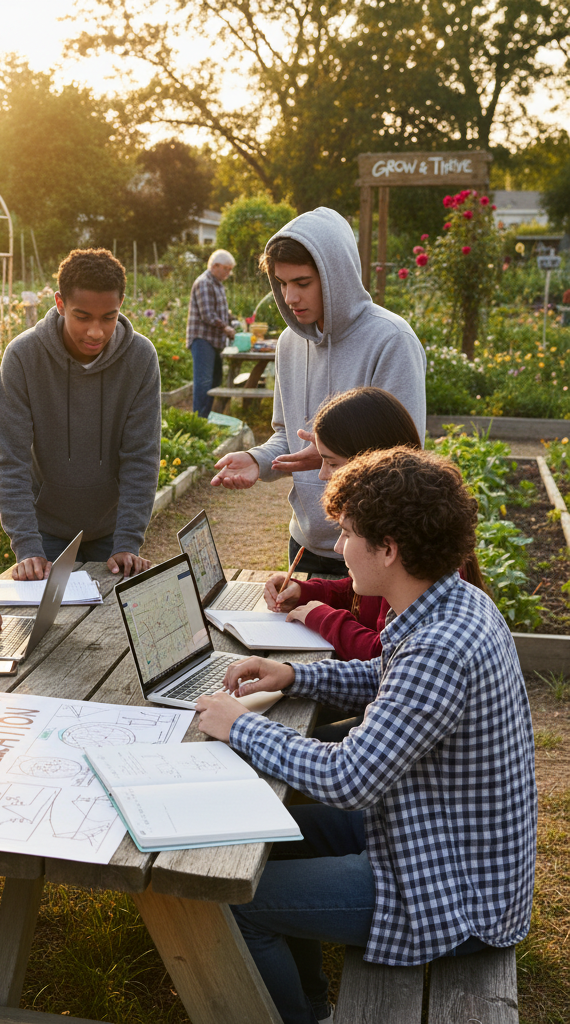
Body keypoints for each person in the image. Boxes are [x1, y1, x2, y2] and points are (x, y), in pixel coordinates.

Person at [196, 447, 536, 1024]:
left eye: (349, 533)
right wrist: (295, 675)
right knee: (266, 835)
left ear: (389, 549)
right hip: (430, 828)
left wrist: (240, 725)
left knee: (234, 898)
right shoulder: (450, 602)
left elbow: (348, 778)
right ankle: (311, 1004)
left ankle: (299, 1015)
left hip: (452, 890)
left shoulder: (439, 648)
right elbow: (386, 677)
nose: (338, 547)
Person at [210, 208, 427, 576]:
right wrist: (257, 460)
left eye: (303, 282)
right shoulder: (288, 342)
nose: (289, 297)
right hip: (304, 544)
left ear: (335, 275)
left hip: (372, 545)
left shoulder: (392, 340)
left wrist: (333, 455)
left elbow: (405, 459)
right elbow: (287, 434)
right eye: (281, 283)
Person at [262, 387, 487, 660]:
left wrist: (322, 617)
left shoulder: (414, 542)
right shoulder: (402, 523)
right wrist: (305, 591)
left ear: (368, 459)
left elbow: (386, 655)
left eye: (331, 463)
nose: (323, 475)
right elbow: (363, 599)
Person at [0, 247, 161, 581]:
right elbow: (10, 460)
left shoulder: (140, 358)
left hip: (113, 530)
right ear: (60, 303)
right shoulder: (23, 357)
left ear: (121, 304)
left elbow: (141, 457)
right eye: (82, 317)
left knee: (111, 612)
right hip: (45, 533)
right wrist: (27, 546)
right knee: (46, 616)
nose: (96, 331)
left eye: (108, 317)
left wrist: (128, 541)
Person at [187, 249, 236, 419]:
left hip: (214, 340)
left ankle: (209, 417)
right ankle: (199, 420)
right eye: (226, 269)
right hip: (203, 339)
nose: (228, 273)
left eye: (230, 270)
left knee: (215, 381)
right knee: (204, 382)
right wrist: (226, 328)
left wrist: (232, 320)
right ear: (215, 266)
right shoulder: (204, 283)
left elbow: (220, 311)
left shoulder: (217, 284)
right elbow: (207, 314)